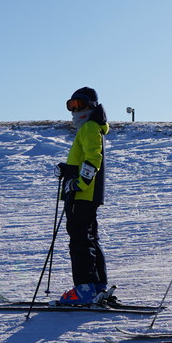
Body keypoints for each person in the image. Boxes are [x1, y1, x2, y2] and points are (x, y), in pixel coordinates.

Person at [57, 87, 113, 305]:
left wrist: (78, 184)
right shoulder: (91, 127)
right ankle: (98, 285)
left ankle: (84, 289)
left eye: (79, 105)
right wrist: (68, 168)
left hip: (82, 195)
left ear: (91, 107)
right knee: (89, 238)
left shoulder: (89, 127)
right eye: (71, 106)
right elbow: (86, 158)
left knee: (79, 240)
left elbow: (93, 157)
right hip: (88, 195)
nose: (75, 111)